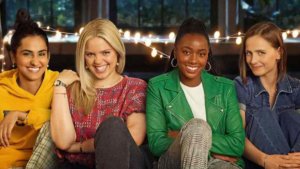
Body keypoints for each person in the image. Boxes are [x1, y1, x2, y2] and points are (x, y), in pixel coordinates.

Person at [146, 17, 245, 169]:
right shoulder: (157, 86)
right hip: (174, 162)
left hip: (218, 163)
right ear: (175, 51)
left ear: (207, 55)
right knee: (198, 127)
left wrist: (184, 136)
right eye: (186, 52)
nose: (194, 60)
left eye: (201, 54)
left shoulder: (226, 88)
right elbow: (156, 143)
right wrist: (191, 135)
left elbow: (237, 145)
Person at [50, 18, 147, 169]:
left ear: (117, 53)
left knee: (112, 126)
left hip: (127, 164)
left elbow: (133, 138)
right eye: (90, 54)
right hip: (79, 167)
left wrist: (79, 147)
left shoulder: (134, 87)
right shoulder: (73, 89)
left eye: (105, 52)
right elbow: (63, 142)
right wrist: (59, 86)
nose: (98, 61)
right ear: (83, 57)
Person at [234, 22, 300, 169]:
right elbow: (237, 136)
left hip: (290, 158)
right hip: (259, 163)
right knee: (262, 113)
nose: (252, 60)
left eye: (260, 53)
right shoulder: (242, 85)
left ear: (279, 53)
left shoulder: (295, 87)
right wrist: (265, 160)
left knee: (289, 116)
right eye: (248, 53)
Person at [0, 15, 59, 168]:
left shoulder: (60, 83)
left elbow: (70, 121)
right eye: (27, 54)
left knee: (53, 125)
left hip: (47, 161)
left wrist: (23, 116)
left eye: (41, 54)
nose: (35, 61)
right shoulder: (2, 88)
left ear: (48, 56)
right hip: (6, 163)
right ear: (13, 56)